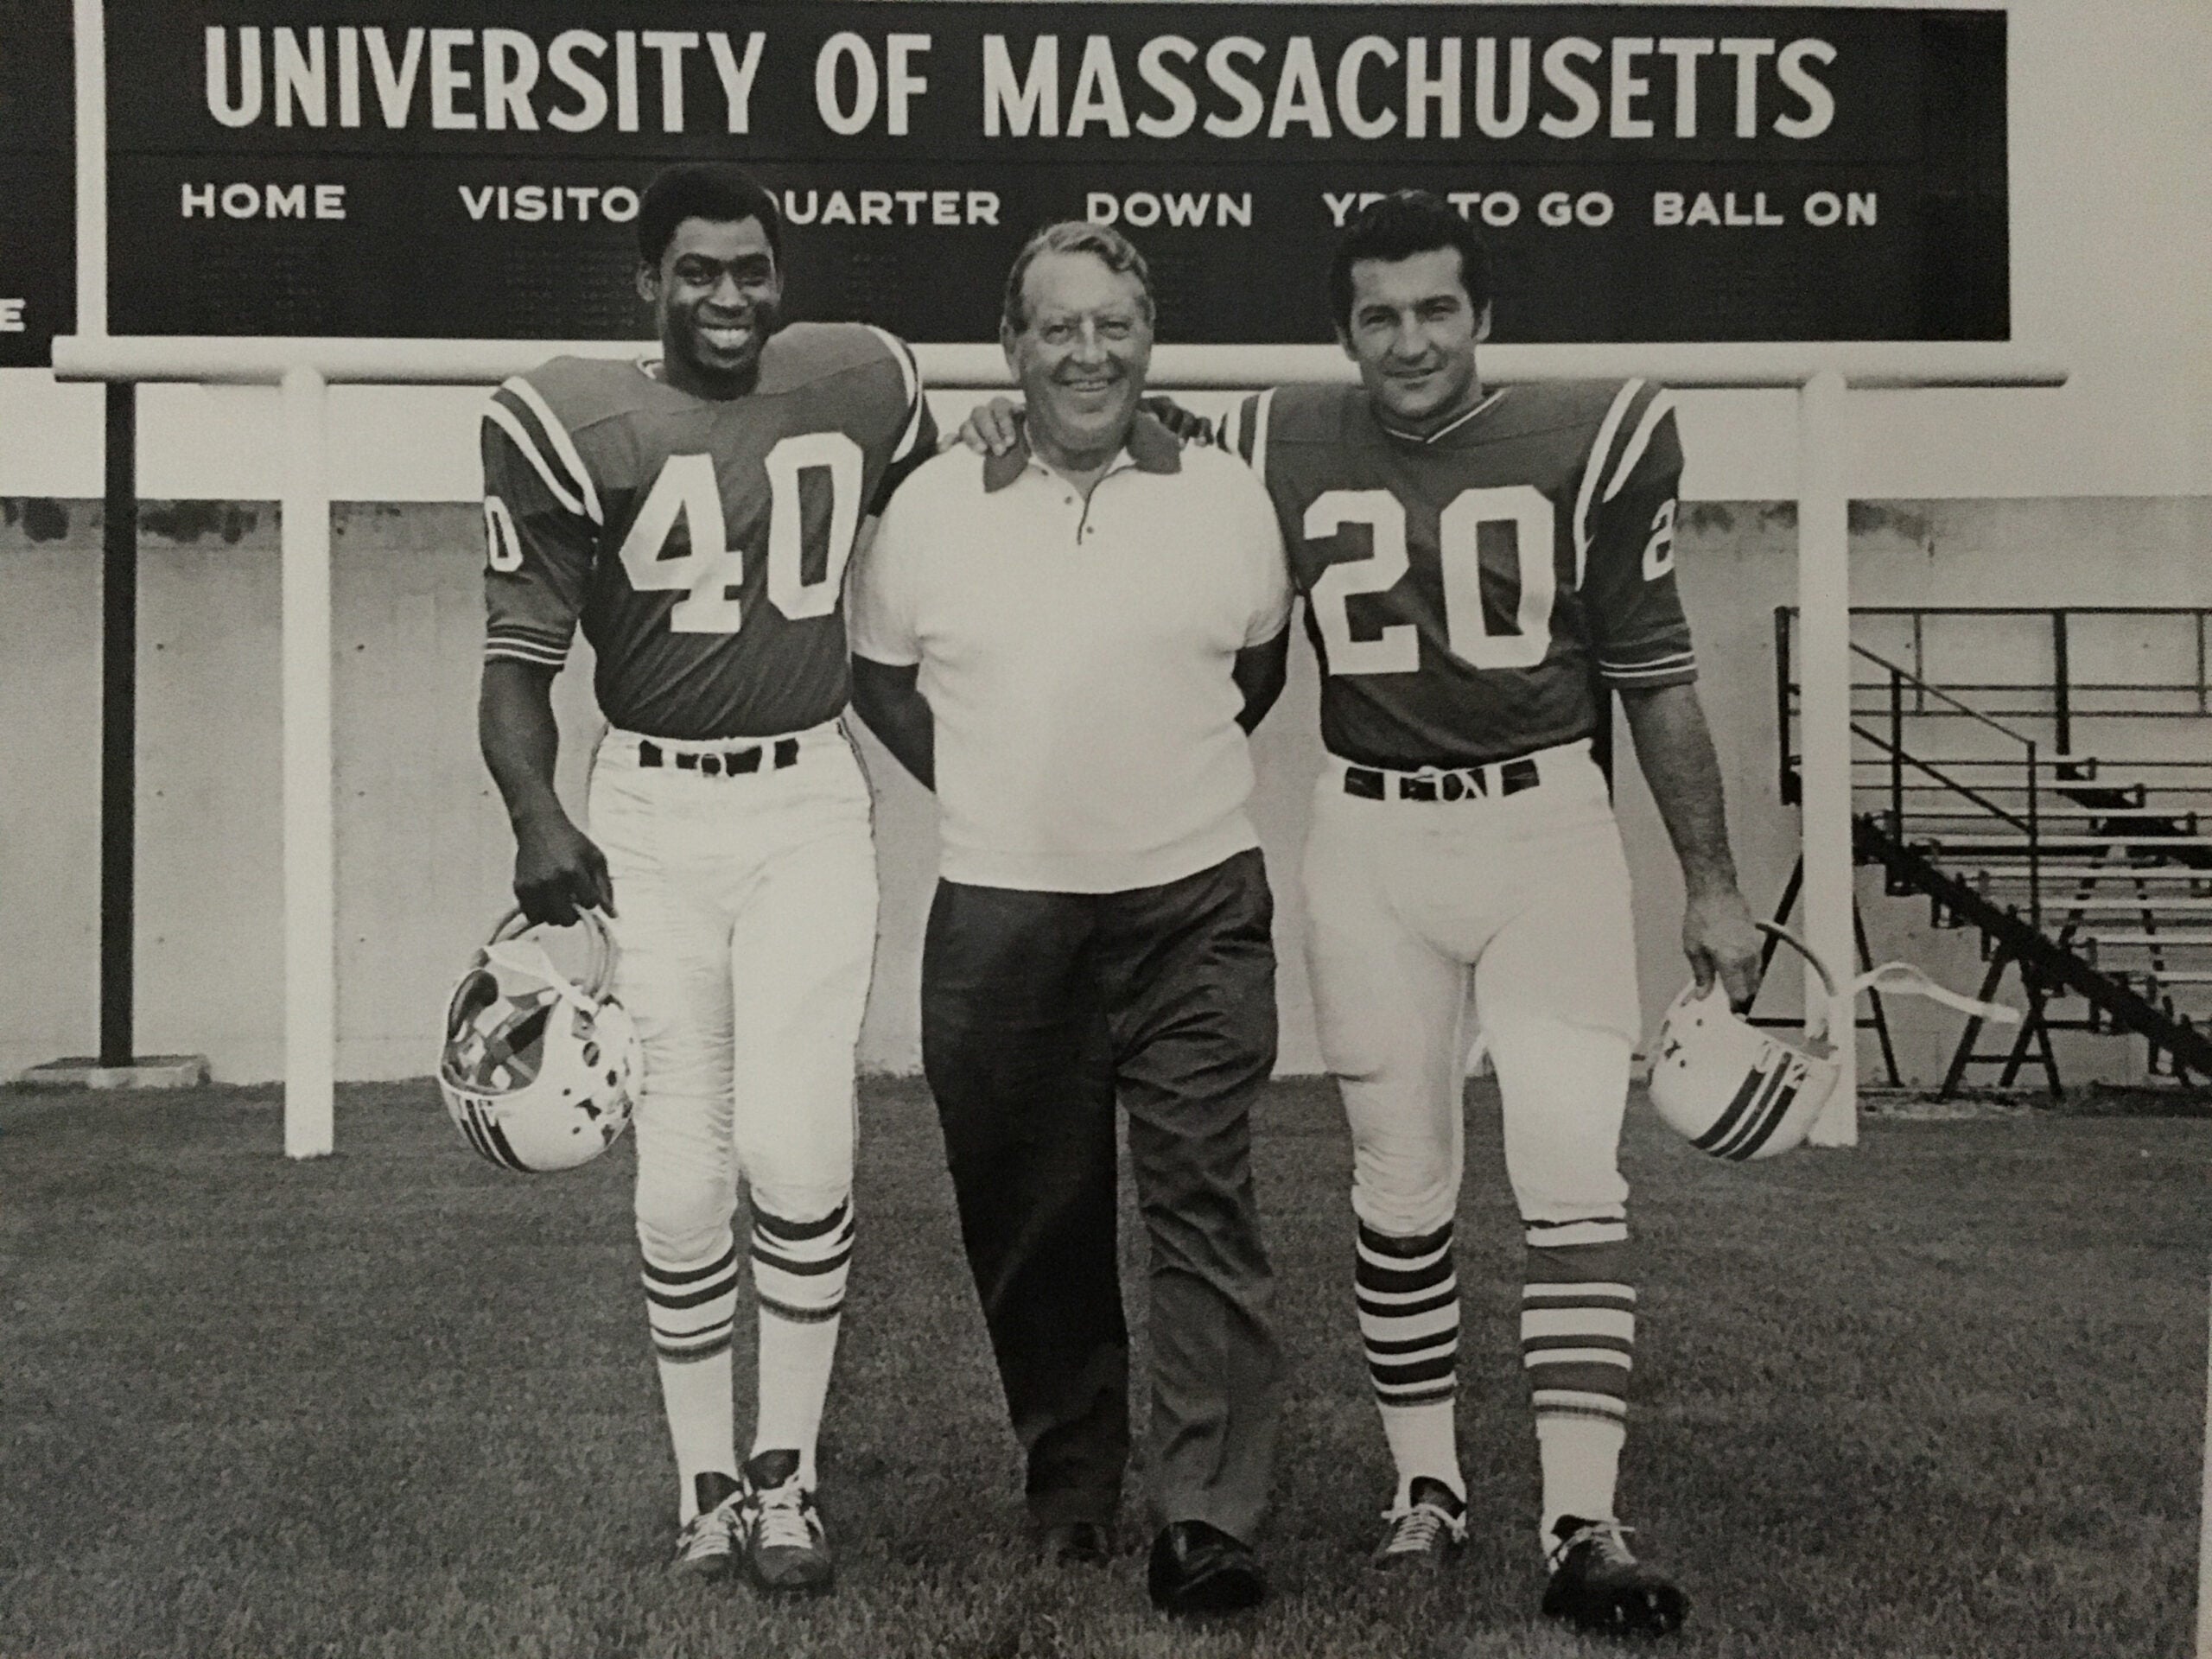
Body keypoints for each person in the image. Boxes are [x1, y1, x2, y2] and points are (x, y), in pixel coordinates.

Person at [963, 190, 1763, 1637]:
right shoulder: (1277, 438)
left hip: (1551, 831)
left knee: (1577, 1171)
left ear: (1486, 316)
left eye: (1437, 309)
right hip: (1370, 833)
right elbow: (1121, 433)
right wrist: (996, 435)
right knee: (1398, 1184)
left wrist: (1709, 879)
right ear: (1343, 332)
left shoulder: (1599, 433)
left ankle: (1583, 1517)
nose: (1411, 340)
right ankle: (1428, 1489)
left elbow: (1657, 673)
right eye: (1381, 315)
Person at [474, 162, 935, 1596]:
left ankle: (788, 1480)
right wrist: (534, 810)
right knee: (680, 1179)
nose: (725, 297)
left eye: (748, 271)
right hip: (652, 813)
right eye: (696, 272)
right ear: (647, 284)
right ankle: (705, 1489)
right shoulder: (571, 416)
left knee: (796, 1148)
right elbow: (516, 666)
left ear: (778, 281)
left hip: (806, 796)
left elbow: (964, 506)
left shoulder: (862, 381)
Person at [845, 221, 1294, 1618]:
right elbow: (881, 682)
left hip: (1193, 908)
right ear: (1013, 347)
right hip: (1002, 918)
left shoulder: (1228, 495)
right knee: (1033, 1219)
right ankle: (1072, 1486)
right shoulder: (930, 503)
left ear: (1147, 340)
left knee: (1201, 1201)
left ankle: (1208, 1515)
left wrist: (1141, 796)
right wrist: (1003, 789)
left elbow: (1254, 673)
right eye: (1058, 327)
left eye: (1112, 325)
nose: (1086, 352)